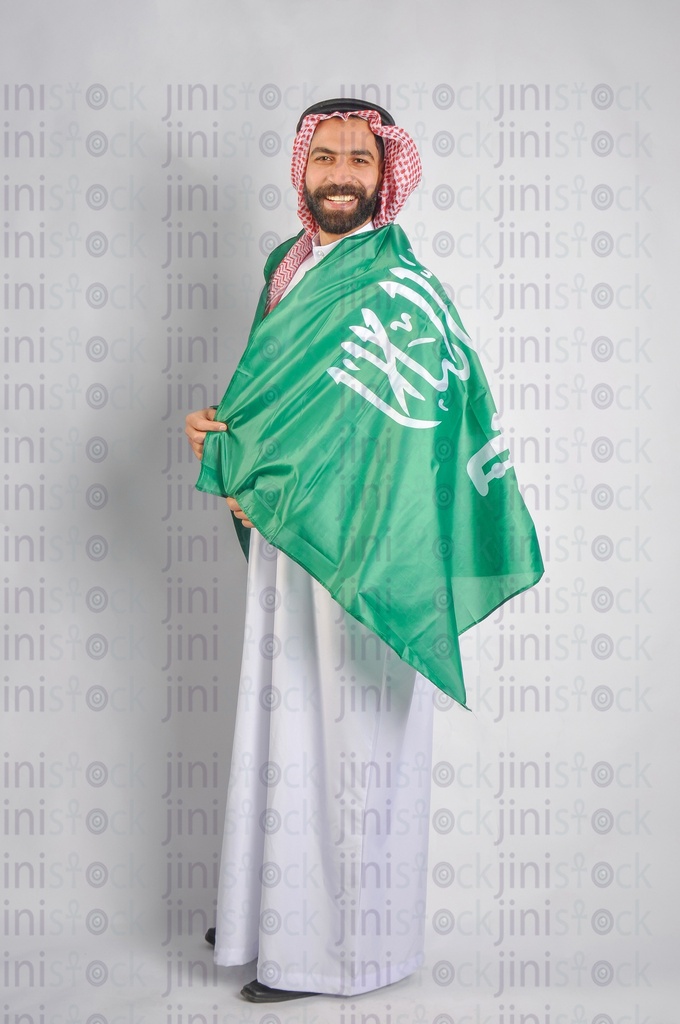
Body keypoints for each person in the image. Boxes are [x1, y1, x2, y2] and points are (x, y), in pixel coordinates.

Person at [185, 98, 542, 1004]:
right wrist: (222, 438)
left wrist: (257, 454)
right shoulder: (285, 268)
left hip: (373, 551)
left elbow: (421, 422)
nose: (341, 172)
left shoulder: (400, 284)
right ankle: (273, 919)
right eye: (326, 156)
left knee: (354, 746)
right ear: (303, 168)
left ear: (386, 176)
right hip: (292, 539)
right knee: (281, 726)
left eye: (360, 159)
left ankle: (343, 955)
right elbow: (283, 398)